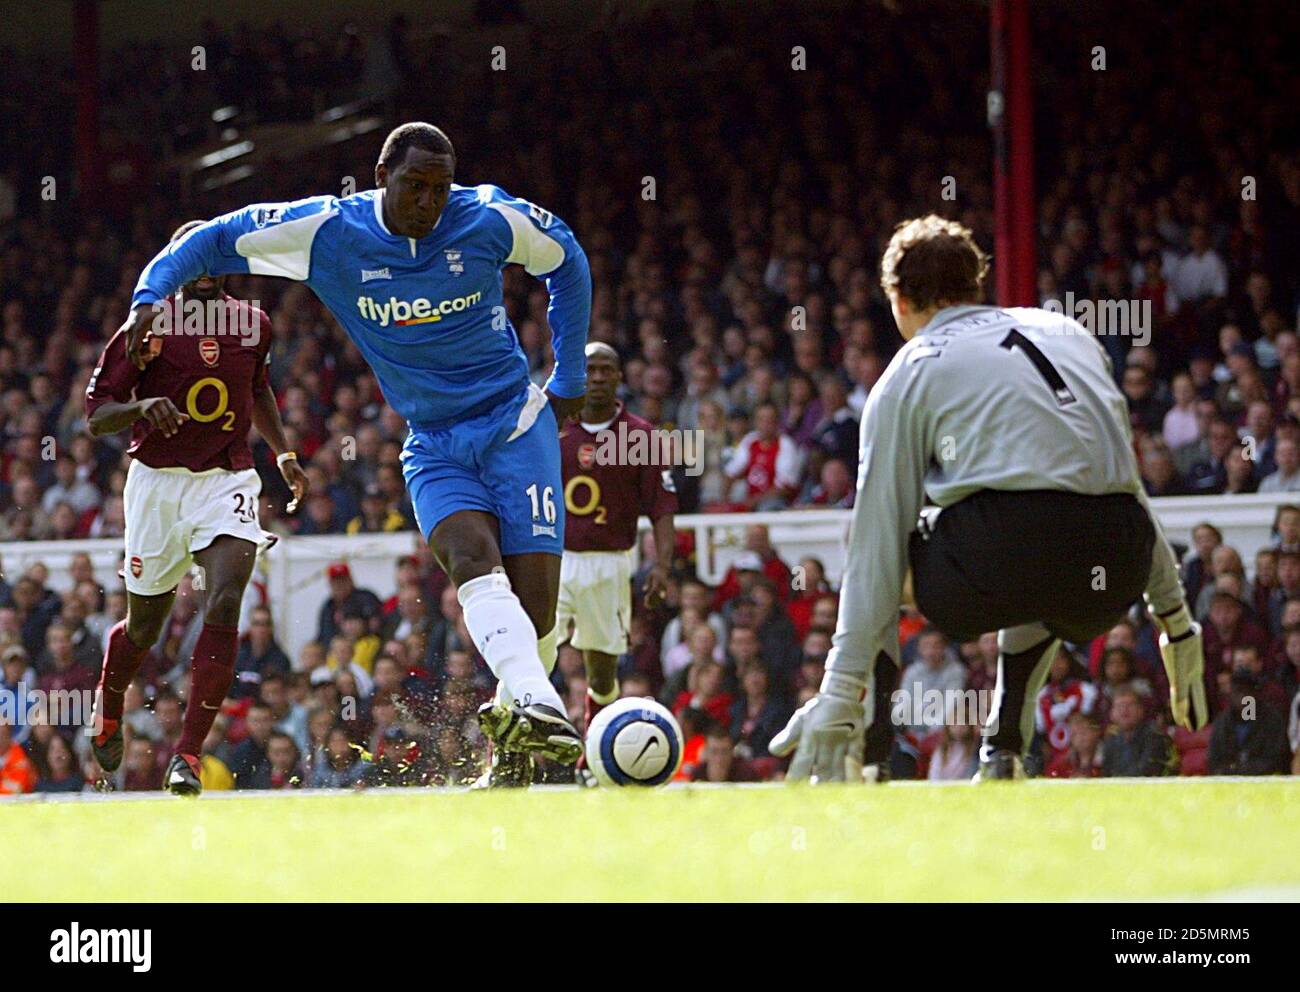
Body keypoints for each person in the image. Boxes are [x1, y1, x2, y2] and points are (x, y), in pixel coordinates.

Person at [117, 122, 592, 777]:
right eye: (415, 186)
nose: (430, 201)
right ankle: (541, 705)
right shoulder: (328, 233)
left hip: (515, 424)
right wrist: (149, 298)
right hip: (434, 444)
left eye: (439, 188)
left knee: (535, 614)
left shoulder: (486, 216)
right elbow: (214, 238)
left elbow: (567, 255)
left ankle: (513, 739)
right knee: (469, 559)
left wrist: (569, 374)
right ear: (380, 177)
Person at [772, 215, 1208, 783]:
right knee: (1055, 535)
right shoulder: (1071, 334)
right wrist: (1176, 622)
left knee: (890, 543)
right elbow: (1125, 488)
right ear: (976, 283)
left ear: (898, 299)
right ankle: (1003, 747)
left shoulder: (911, 367)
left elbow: (876, 542)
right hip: (1114, 563)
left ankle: (869, 751)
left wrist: (837, 686)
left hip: (1000, 559)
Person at [85, 221, 308, 796]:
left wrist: (282, 453)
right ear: (172, 264)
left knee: (228, 593)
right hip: (157, 485)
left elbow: (257, 389)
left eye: (212, 257)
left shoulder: (253, 325)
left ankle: (185, 756)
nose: (204, 269)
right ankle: (108, 706)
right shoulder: (148, 324)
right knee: (145, 626)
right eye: (191, 259)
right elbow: (97, 414)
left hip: (226, 479)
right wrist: (142, 406)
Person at [552, 343, 677, 787]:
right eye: (591, 370)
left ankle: (594, 760)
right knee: (531, 652)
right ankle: (508, 755)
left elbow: (661, 508)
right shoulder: (552, 428)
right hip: (554, 560)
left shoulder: (640, 436)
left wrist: (662, 564)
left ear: (620, 376)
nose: (599, 377)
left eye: (607, 369)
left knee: (602, 668)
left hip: (610, 563)